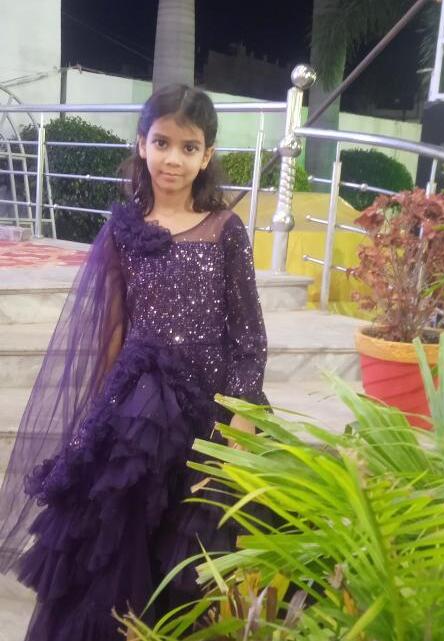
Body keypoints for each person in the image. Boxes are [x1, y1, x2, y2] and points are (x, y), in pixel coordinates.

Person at [0, 84, 269, 640]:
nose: (173, 159)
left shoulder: (225, 230)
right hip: (139, 413)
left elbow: (248, 334)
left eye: (189, 147)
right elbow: (114, 330)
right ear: (142, 144)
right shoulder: (123, 230)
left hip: (211, 412)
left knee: (193, 552)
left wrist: (241, 420)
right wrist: (101, 415)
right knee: (119, 543)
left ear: (207, 156)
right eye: (162, 142)